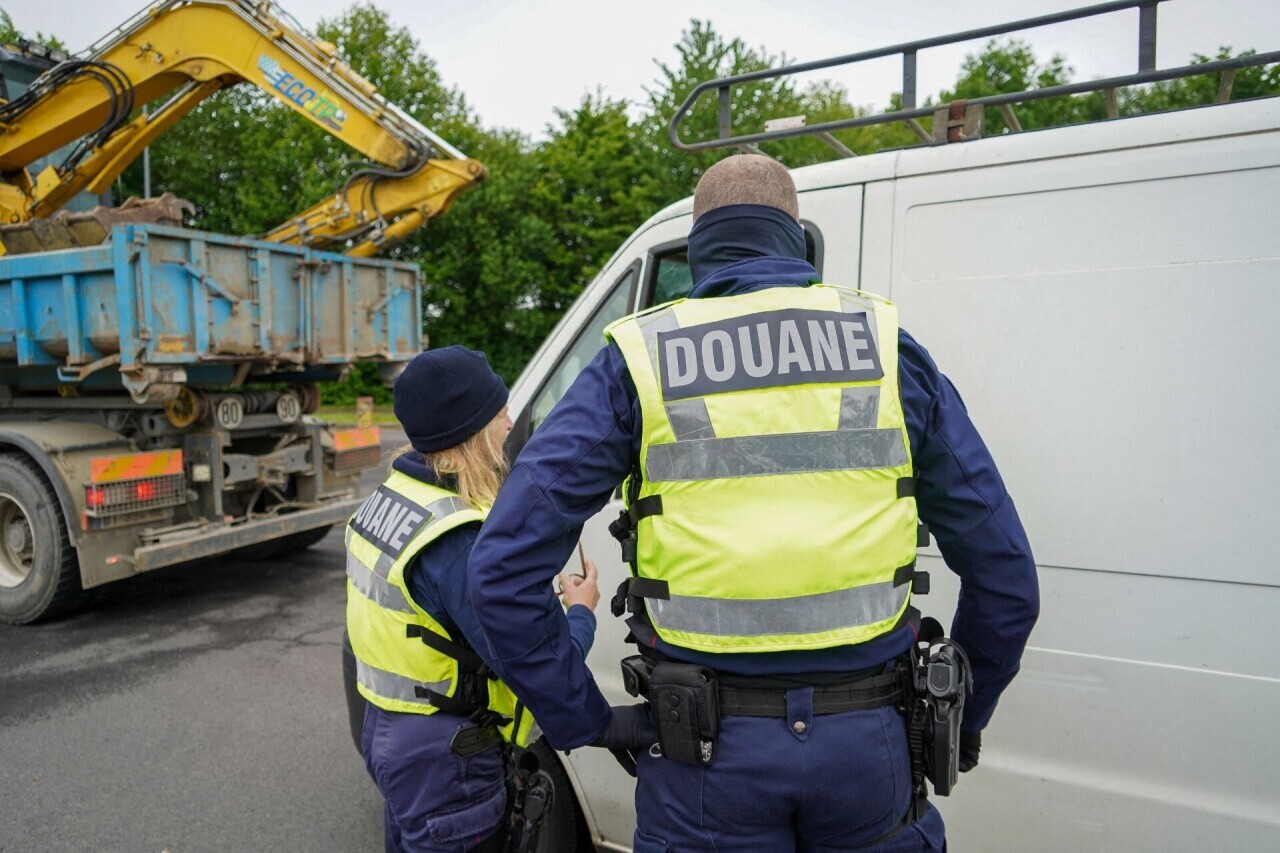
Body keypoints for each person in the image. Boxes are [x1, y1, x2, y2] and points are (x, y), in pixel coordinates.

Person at [468, 155, 1039, 851]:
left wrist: (584, 716)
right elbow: (1006, 575)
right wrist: (958, 715)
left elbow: (499, 569)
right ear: (795, 237)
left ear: (698, 245)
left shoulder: (640, 360)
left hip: (703, 757)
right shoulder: (887, 349)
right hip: (870, 747)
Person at [345, 345, 601, 853]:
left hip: (390, 733)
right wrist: (580, 613)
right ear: (470, 429)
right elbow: (536, 665)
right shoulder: (460, 541)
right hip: (448, 760)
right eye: (498, 410)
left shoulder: (394, 494)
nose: (509, 420)